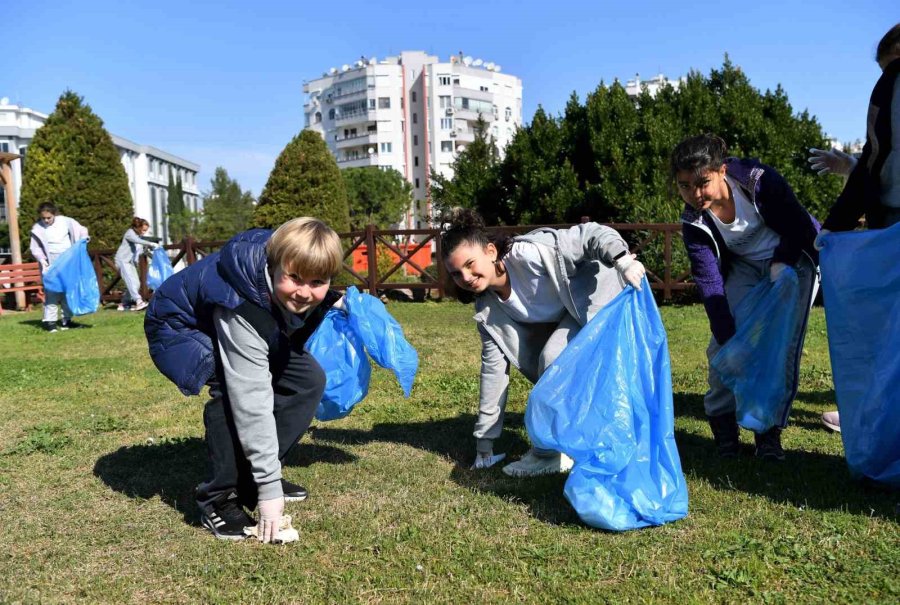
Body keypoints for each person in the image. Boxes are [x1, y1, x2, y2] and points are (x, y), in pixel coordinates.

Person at [144, 217, 344, 542]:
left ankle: (252, 478)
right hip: (180, 327)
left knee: (307, 379)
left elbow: (306, 291)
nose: (304, 292)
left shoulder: (286, 270)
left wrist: (341, 301)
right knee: (232, 392)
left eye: (317, 282)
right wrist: (270, 492)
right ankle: (219, 498)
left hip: (235, 318)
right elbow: (251, 399)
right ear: (275, 264)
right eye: (294, 278)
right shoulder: (241, 304)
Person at [440, 209, 646, 477]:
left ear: (490, 251)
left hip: (604, 292)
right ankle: (564, 448)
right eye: (456, 273)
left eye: (469, 264)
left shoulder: (530, 254)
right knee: (555, 368)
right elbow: (493, 375)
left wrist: (621, 260)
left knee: (555, 364)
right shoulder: (488, 311)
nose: (465, 277)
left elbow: (590, 233)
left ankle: (553, 452)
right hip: (570, 316)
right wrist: (484, 444)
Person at [672, 134, 821, 460]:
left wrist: (782, 261)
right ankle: (726, 437)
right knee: (722, 350)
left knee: (775, 349)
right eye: (684, 186)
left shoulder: (760, 181)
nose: (695, 194)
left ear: (721, 171)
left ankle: (768, 437)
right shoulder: (694, 220)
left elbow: (800, 226)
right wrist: (727, 337)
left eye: (702, 183)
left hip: (792, 261)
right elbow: (709, 282)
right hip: (743, 268)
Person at [808, 23, 900, 434]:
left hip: (890, 226)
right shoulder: (889, 90)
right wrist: (854, 168)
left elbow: (880, 158)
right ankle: (872, 415)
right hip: (887, 223)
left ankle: (873, 417)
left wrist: (835, 225)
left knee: (884, 326)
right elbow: (880, 158)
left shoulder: (890, 87)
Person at [29, 202, 89, 333]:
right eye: (43, 218)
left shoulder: (66, 221)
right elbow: (35, 248)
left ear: (54, 214)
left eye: (48, 218)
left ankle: (66, 320)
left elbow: (82, 230)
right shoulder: (38, 228)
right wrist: (42, 261)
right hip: (51, 262)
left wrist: (84, 239)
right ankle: (50, 321)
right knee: (52, 291)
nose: (46, 220)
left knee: (68, 290)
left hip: (67, 259)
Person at [114, 217, 159, 312]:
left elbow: (139, 247)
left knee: (136, 284)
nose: (144, 232)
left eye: (145, 231)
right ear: (138, 227)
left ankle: (123, 303)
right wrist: (151, 243)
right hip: (122, 261)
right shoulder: (130, 233)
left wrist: (149, 248)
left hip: (130, 262)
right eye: (143, 230)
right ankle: (139, 302)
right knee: (131, 281)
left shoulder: (138, 235)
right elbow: (137, 241)